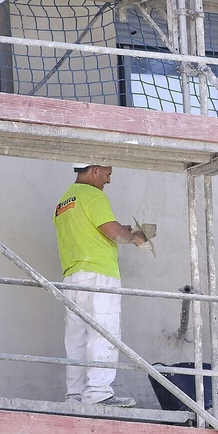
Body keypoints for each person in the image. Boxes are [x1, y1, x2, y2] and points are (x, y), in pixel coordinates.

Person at [54, 162, 149, 407]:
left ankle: (74, 396)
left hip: (73, 276)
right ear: (95, 170)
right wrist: (134, 237)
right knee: (103, 333)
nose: (108, 180)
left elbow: (91, 229)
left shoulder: (64, 201)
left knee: (76, 338)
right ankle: (97, 394)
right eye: (107, 174)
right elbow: (109, 230)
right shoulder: (93, 195)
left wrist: (120, 229)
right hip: (99, 275)